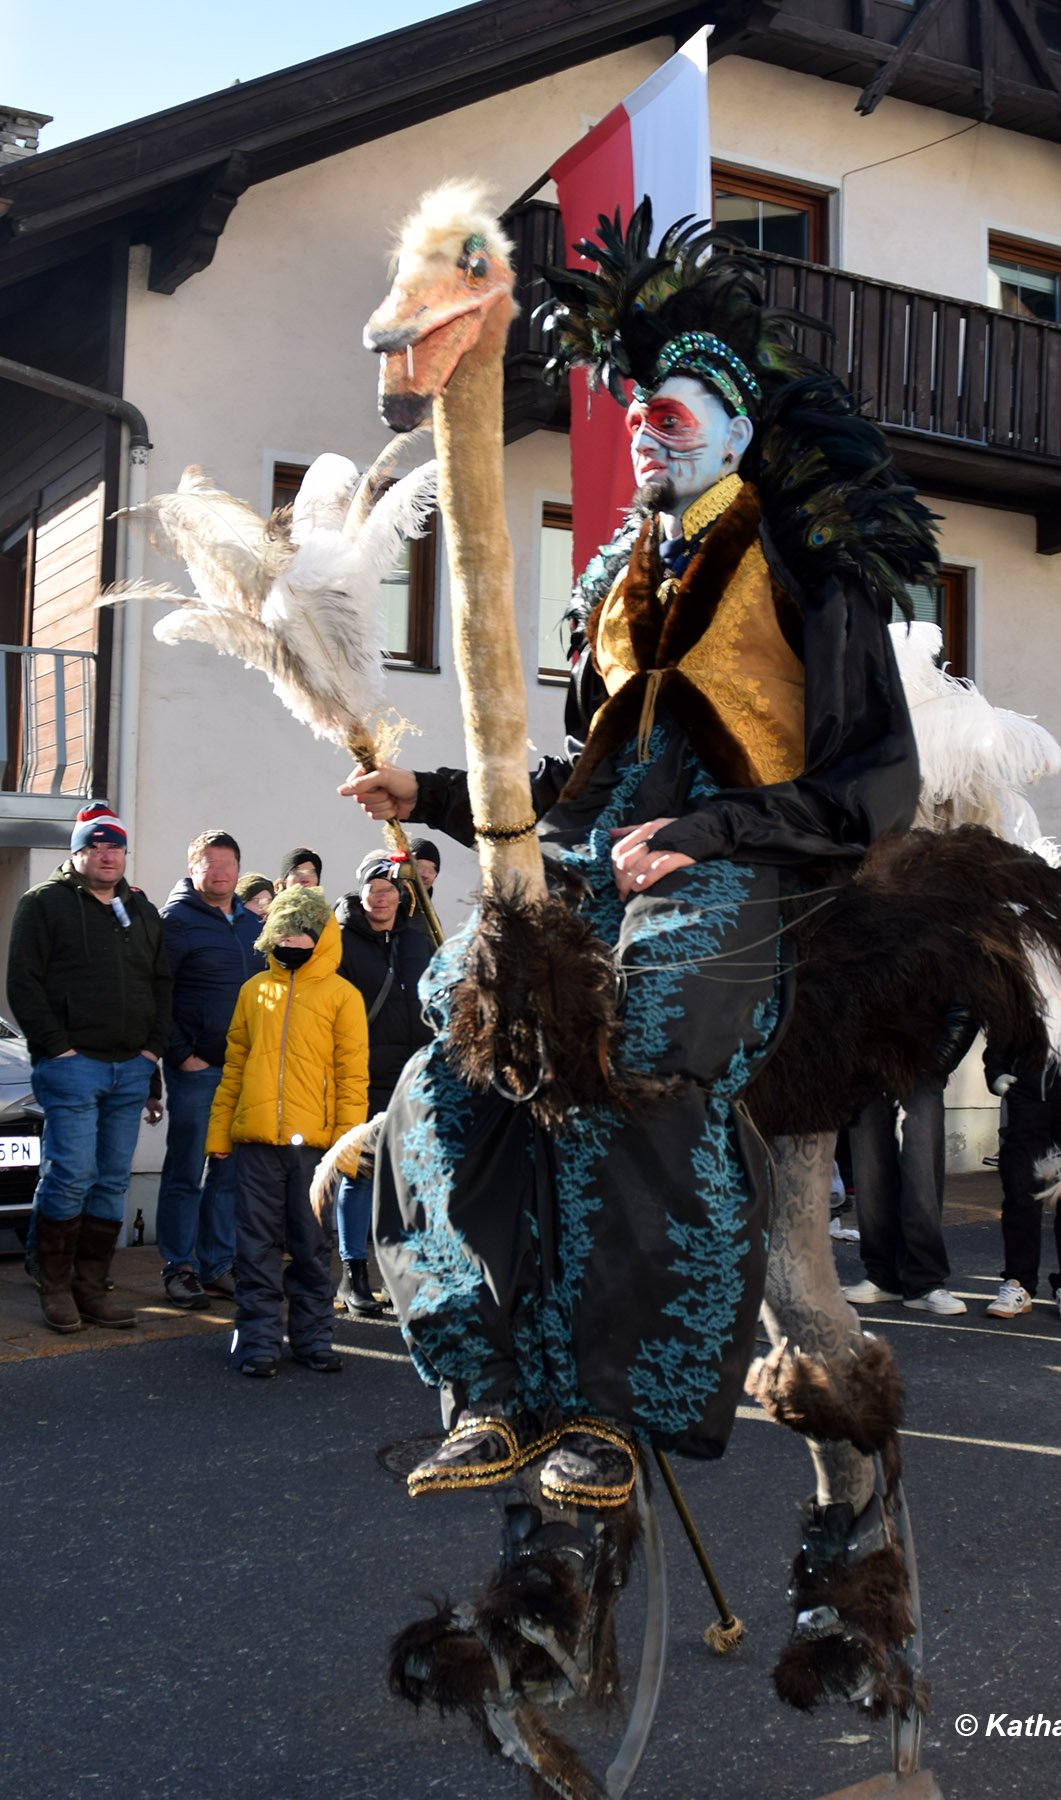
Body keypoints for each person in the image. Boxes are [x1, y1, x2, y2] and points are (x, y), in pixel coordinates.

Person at [340, 208, 928, 1503]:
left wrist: (713, 831)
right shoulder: (617, 579)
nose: (645, 429)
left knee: (645, 1043)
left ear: (733, 425)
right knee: (451, 1050)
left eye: (672, 411)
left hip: (744, 869)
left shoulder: (808, 566)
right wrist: (429, 785)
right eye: (635, 414)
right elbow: (576, 779)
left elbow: (875, 783)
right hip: (596, 861)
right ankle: (487, 1384)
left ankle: (615, 1407)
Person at [7, 803, 172, 1333]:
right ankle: (53, 1285)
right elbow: (23, 983)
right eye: (94, 847)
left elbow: (161, 985)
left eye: (114, 847)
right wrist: (55, 1047)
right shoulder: (44, 905)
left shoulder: (141, 910)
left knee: (110, 1181)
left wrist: (152, 1057)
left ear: (124, 853)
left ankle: (90, 1285)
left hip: (130, 1067)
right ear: (76, 854)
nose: (106, 855)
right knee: (71, 1174)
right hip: (72, 1066)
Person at [205, 886, 368, 1377]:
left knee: (312, 1247)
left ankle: (313, 1338)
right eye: (285, 931)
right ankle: (256, 1341)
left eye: (303, 932)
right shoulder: (253, 991)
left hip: (315, 1150)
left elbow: (351, 1076)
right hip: (255, 1143)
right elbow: (234, 1065)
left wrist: (347, 1146)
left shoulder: (343, 996)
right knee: (253, 1248)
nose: (293, 940)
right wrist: (219, 1135)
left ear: (321, 937)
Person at [157, 830, 265, 1309]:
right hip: (197, 1070)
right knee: (186, 1170)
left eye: (227, 863)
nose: (219, 872)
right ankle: (179, 1267)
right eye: (209, 863)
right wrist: (181, 1054)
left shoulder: (250, 925)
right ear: (192, 867)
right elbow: (158, 996)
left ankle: (217, 1264)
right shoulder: (174, 922)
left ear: (239, 870)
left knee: (228, 1173)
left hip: (242, 1071)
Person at [332, 851, 433, 1314]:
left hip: (412, 1071)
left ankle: (396, 1273)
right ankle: (353, 1276)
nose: (381, 897)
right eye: (373, 888)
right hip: (362, 1070)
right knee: (361, 1172)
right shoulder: (342, 939)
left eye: (389, 888)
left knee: (405, 1176)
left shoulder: (416, 934)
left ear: (402, 893)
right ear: (362, 891)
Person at [842, 1069, 967, 1315]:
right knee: (870, 1177)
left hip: (920, 1062)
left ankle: (925, 1282)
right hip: (865, 1067)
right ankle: (882, 1276)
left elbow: (962, 1027)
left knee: (921, 1176)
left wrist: (939, 1059)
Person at [984, 1044, 1061, 1323]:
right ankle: (1018, 1283)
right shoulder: (1020, 998)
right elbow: (1001, 1033)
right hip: (1027, 1103)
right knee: (1019, 1193)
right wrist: (997, 1076)